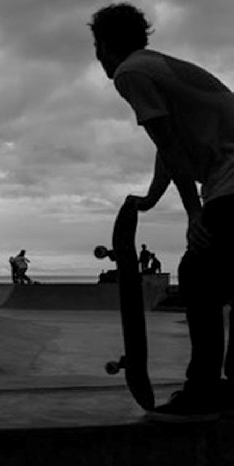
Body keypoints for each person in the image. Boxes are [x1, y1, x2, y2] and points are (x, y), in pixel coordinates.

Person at [91, 3, 234, 420]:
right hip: (227, 180)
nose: (97, 57)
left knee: (199, 274)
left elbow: (170, 146)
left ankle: (204, 390)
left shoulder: (130, 73)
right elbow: (169, 142)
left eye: (97, 47)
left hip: (230, 181)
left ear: (105, 45)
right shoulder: (157, 67)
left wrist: (194, 214)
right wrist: (153, 198)